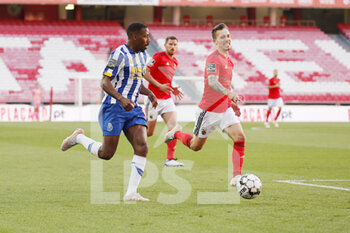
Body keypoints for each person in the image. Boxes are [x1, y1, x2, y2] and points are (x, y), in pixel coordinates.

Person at [60, 23, 157, 202]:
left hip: (133, 108)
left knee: (142, 146)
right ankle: (79, 138)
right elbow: (104, 82)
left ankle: (131, 193)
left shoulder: (143, 55)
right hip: (114, 107)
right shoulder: (118, 55)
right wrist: (121, 98)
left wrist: (150, 93)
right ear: (134, 36)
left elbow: (134, 81)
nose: (149, 40)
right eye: (145, 36)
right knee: (107, 153)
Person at [164, 23, 246, 187]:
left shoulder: (229, 61)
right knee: (195, 146)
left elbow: (226, 85)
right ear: (215, 41)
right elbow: (213, 81)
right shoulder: (213, 58)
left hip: (225, 108)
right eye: (222, 37)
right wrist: (228, 93)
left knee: (240, 137)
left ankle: (236, 177)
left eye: (228, 36)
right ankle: (177, 133)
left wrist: (231, 102)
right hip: (208, 111)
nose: (227, 39)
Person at [144, 36, 184, 167]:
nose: (173, 46)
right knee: (149, 133)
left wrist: (172, 89)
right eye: (170, 44)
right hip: (153, 99)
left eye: (175, 44)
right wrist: (159, 86)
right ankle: (133, 135)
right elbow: (145, 73)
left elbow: (166, 81)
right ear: (165, 45)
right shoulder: (158, 56)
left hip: (167, 100)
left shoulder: (175, 62)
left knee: (174, 128)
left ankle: (170, 159)